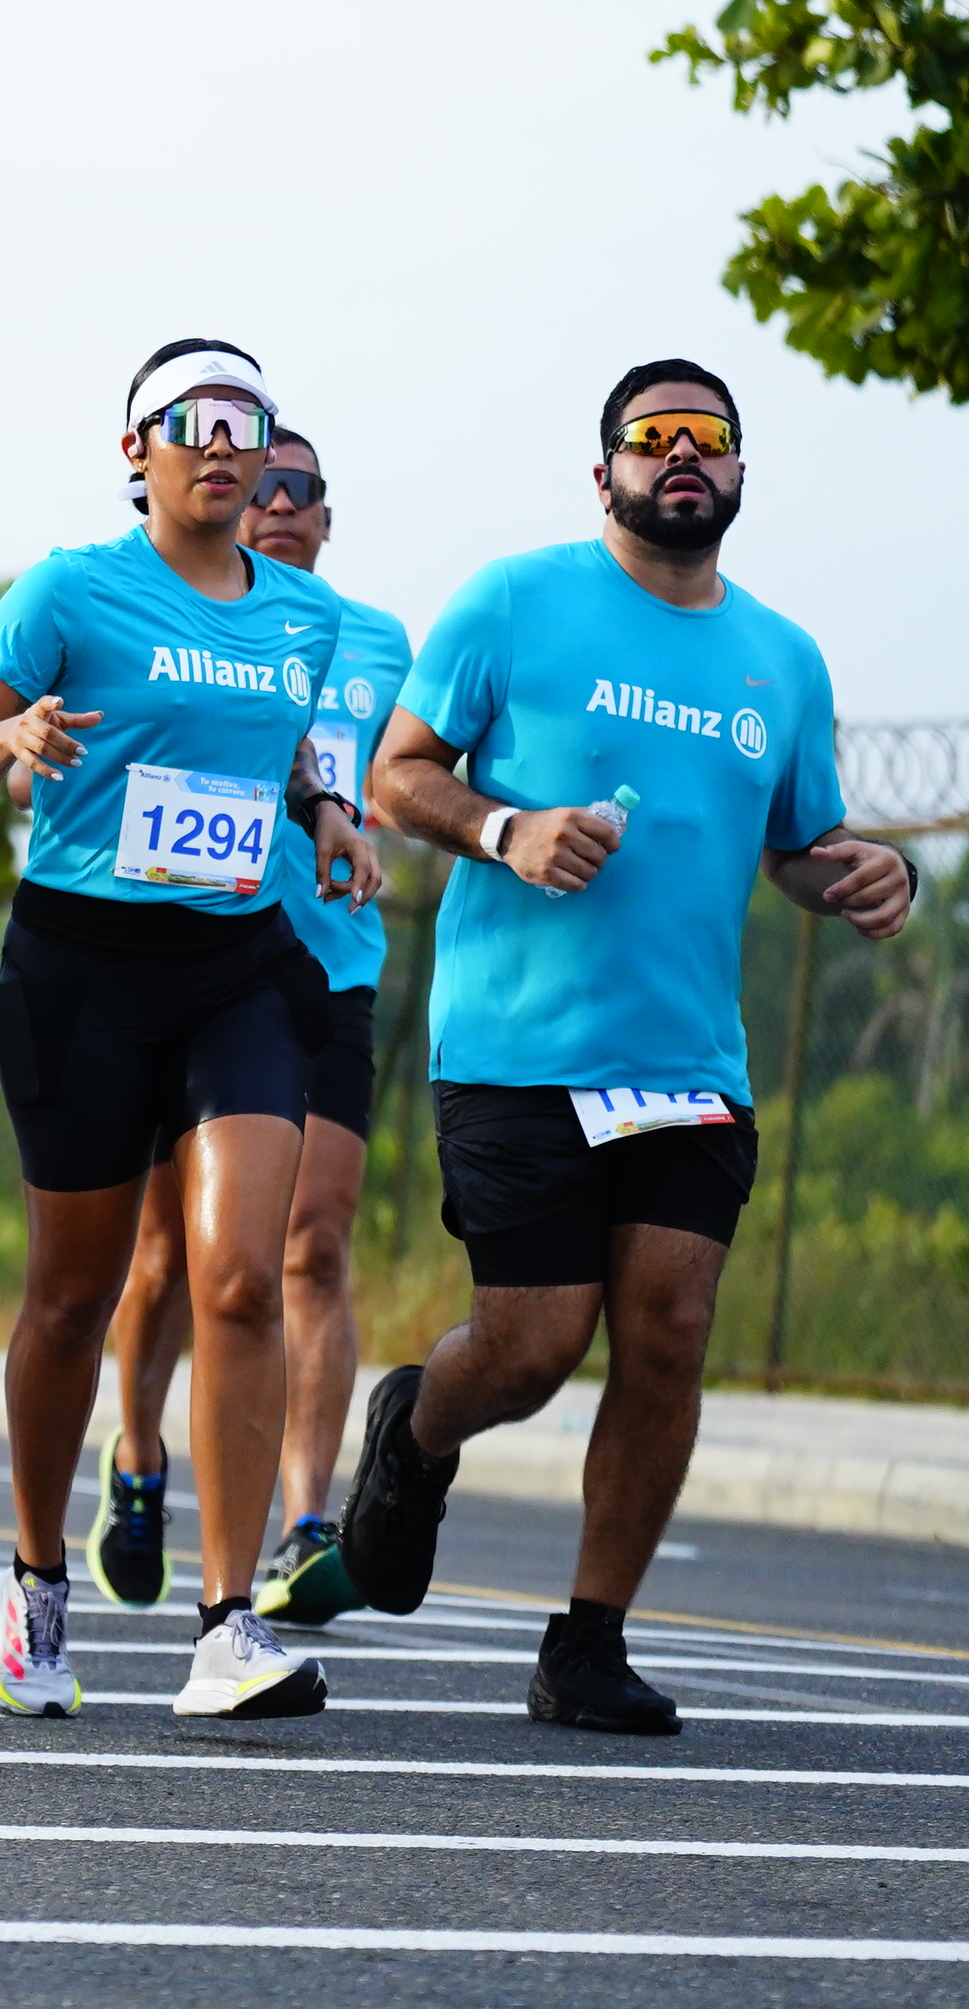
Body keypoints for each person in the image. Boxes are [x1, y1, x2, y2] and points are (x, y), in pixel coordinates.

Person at [350, 361, 913, 1734]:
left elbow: (794, 847)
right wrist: (507, 831)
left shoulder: (782, 660)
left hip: (687, 1062)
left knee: (667, 1331)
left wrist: (862, 872)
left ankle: (586, 1642)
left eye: (706, 440)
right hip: (518, 1048)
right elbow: (394, 773)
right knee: (537, 1348)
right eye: (651, 437)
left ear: (738, 475)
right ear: (601, 468)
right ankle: (416, 1430)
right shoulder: (512, 603)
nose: (681, 457)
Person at [0, 339, 373, 1723]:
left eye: (248, 422)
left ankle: (229, 1620)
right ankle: (34, 1582)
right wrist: (13, 743)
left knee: (242, 1275)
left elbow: (291, 745)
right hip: (82, 965)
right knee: (73, 1291)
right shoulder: (70, 589)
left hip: (237, 968)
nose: (225, 445)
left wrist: (329, 815)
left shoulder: (298, 618)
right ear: (140, 451)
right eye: (195, 422)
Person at [85, 424, 415, 1627]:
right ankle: (134, 1459)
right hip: (189, 963)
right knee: (178, 1258)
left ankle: (305, 1525)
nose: (276, 502)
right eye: (259, 484)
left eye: (301, 490)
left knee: (310, 1244)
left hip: (326, 967)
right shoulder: (157, 612)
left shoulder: (375, 642)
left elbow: (412, 771)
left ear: (327, 515)